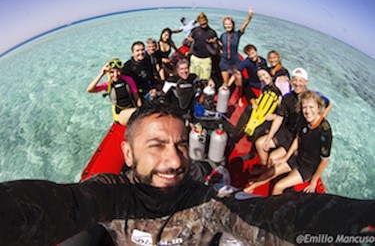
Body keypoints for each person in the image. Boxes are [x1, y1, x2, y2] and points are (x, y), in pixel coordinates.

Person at [0, 102, 374, 246]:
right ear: (127, 154)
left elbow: (272, 217)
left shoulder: (205, 202)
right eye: (157, 145)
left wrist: (360, 227)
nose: (174, 160)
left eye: (180, 146)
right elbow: (54, 205)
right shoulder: (111, 195)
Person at [244, 91, 333, 195]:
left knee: (278, 186)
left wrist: (313, 181)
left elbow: (325, 160)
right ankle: (252, 187)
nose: (307, 111)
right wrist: (286, 157)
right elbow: (298, 138)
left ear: (319, 108)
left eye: (311, 107)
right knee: (272, 171)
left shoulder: (324, 131)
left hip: (308, 167)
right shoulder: (305, 121)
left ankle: (273, 209)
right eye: (304, 107)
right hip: (297, 157)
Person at [255, 68, 333, 166]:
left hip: (298, 137)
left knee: (272, 157)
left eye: (300, 81)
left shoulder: (312, 97)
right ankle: (265, 169)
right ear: (291, 81)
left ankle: (268, 171)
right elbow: (279, 118)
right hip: (285, 132)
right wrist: (268, 139)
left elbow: (329, 104)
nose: (297, 83)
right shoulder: (287, 98)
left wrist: (320, 117)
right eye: (295, 80)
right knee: (260, 143)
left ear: (306, 82)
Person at [86, 58, 141, 125]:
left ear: (121, 70)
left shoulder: (128, 80)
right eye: (112, 72)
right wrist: (101, 74)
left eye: (118, 71)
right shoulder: (108, 85)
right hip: (120, 115)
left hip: (132, 110)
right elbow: (90, 90)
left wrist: (140, 109)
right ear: (108, 73)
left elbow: (137, 97)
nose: (115, 75)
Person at [218, 8, 255, 107]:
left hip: (235, 61)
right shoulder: (222, 35)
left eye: (229, 24)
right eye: (226, 24)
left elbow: (244, 25)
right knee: (225, 84)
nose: (228, 26)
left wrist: (250, 16)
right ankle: (225, 101)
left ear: (233, 24)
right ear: (224, 26)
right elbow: (220, 44)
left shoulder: (237, 34)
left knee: (239, 84)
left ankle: (239, 98)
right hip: (224, 61)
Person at [188, 12, 218, 81]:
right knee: (193, 79)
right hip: (195, 58)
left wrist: (214, 42)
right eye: (201, 22)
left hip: (206, 59)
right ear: (198, 22)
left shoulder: (212, 32)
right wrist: (189, 40)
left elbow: (216, 46)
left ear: (207, 20)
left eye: (204, 21)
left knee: (205, 80)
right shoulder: (195, 30)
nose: (203, 23)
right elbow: (189, 39)